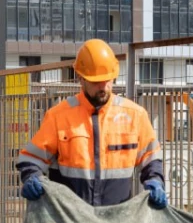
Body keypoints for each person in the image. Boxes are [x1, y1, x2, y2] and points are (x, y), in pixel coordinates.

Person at [16, 39, 167, 209]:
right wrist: (31, 177)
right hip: (71, 221)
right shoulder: (58, 116)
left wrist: (156, 181)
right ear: (81, 79)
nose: (103, 87)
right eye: (96, 82)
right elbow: (31, 159)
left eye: (108, 80)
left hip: (117, 220)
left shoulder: (135, 116)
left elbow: (151, 158)